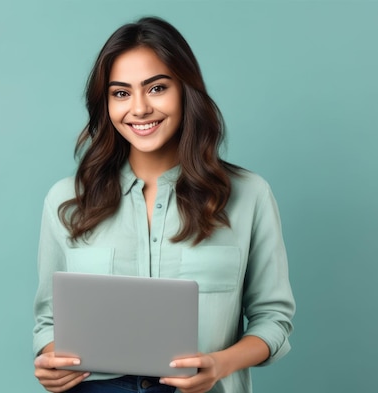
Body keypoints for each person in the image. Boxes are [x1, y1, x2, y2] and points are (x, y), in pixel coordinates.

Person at [32, 16, 295, 393]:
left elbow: (274, 320)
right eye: (120, 93)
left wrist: (218, 365)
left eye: (156, 88)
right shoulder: (67, 199)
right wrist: (50, 361)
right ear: (105, 103)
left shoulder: (249, 195)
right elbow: (47, 321)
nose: (138, 109)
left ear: (186, 91)